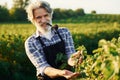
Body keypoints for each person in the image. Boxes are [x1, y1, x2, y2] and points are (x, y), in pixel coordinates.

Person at [25, 0, 82, 80]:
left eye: (46, 15)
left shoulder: (64, 32)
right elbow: (43, 67)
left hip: (68, 77)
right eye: (39, 17)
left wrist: (74, 60)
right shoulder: (31, 42)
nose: (44, 20)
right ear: (33, 20)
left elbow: (70, 54)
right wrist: (62, 73)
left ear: (51, 15)